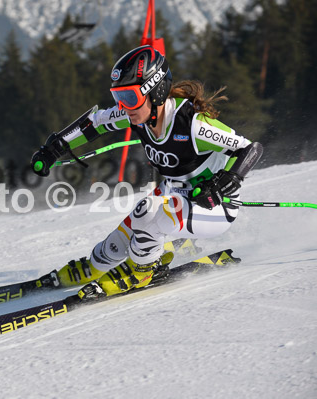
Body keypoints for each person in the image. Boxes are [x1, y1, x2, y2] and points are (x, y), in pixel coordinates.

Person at [31, 45, 263, 300]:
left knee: (155, 209)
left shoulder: (193, 124)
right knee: (131, 227)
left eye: (130, 97)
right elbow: (94, 123)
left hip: (213, 208)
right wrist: (55, 148)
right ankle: (96, 265)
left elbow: (250, 148)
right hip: (172, 199)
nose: (124, 107)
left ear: (156, 91)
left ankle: (142, 269)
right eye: (119, 97)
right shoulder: (137, 115)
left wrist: (223, 182)